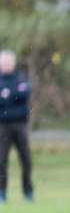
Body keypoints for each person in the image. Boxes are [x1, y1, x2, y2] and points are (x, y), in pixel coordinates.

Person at [0, 49, 34, 204]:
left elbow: (24, 94)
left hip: (20, 125)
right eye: (4, 62)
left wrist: (8, 95)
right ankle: (2, 193)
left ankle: (28, 193)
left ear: (13, 63)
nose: (7, 64)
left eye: (9, 61)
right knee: (1, 161)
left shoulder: (20, 78)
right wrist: (13, 97)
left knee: (26, 160)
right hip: (2, 126)